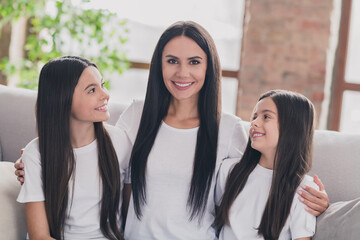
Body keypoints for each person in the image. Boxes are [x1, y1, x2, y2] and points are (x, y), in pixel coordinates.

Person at [15, 21, 329, 239]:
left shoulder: (231, 130)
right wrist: (36, 162)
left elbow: (267, 175)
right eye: (171, 61)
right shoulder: (137, 115)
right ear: (159, 65)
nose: (182, 72)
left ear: (210, 67)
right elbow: (91, 158)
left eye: (194, 61)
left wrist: (314, 200)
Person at [16, 56, 131, 239]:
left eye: (102, 84)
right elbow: (39, 236)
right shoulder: (36, 154)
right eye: (92, 90)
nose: (105, 95)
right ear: (63, 99)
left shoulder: (120, 142)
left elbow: (131, 217)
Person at [214, 90, 318, 240]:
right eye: (255, 116)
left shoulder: (304, 189)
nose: (254, 122)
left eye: (266, 117)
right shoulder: (229, 170)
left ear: (292, 127)